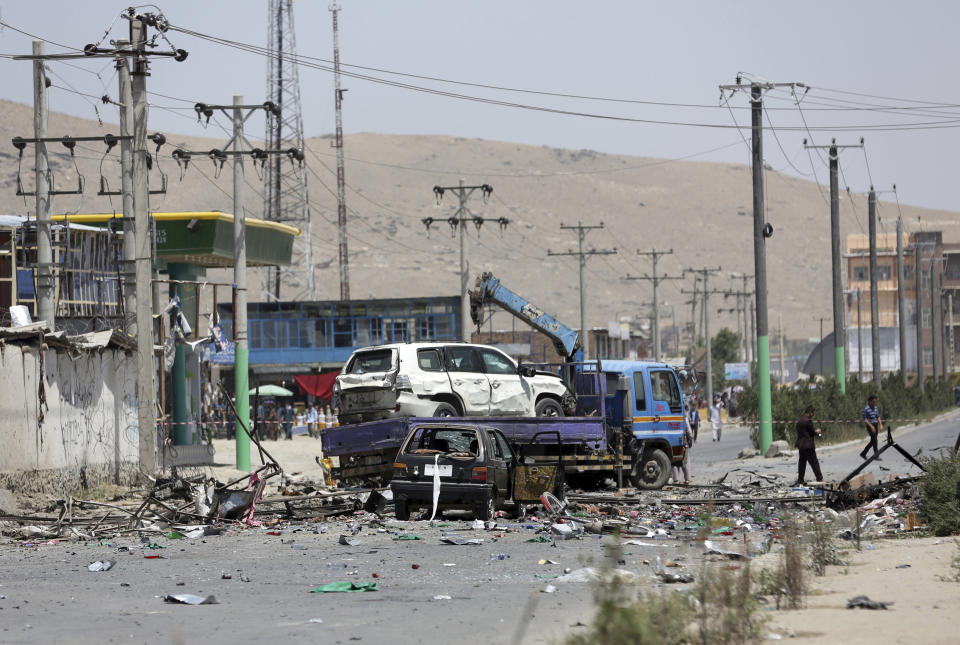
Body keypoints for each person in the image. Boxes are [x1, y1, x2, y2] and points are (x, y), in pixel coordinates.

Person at [795, 404, 823, 485]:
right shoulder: (808, 421)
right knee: (814, 462)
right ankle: (820, 479)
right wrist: (817, 432)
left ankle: (800, 480)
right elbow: (812, 432)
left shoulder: (800, 420)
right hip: (808, 445)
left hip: (801, 445)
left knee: (802, 463)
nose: (813, 415)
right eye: (812, 413)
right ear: (810, 412)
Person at [672, 416, 695, 485]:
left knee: (673, 460)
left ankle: (675, 480)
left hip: (672, 440)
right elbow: (688, 430)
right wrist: (690, 438)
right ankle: (687, 479)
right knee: (686, 460)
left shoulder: (669, 417)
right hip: (682, 441)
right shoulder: (683, 417)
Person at [860, 395, 882, 461]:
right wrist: (871, 426)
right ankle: (876, 455)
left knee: (873, 441)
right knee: (874, 440)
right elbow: (865, 419)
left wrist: (880, 424)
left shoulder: (875, 408)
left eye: (875, 401)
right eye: (873, 401)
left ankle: (863, 453)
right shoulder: (866, 409)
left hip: (875, 425)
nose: (874, 403)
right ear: (869, 401)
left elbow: (878, 416)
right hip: (870, 426)